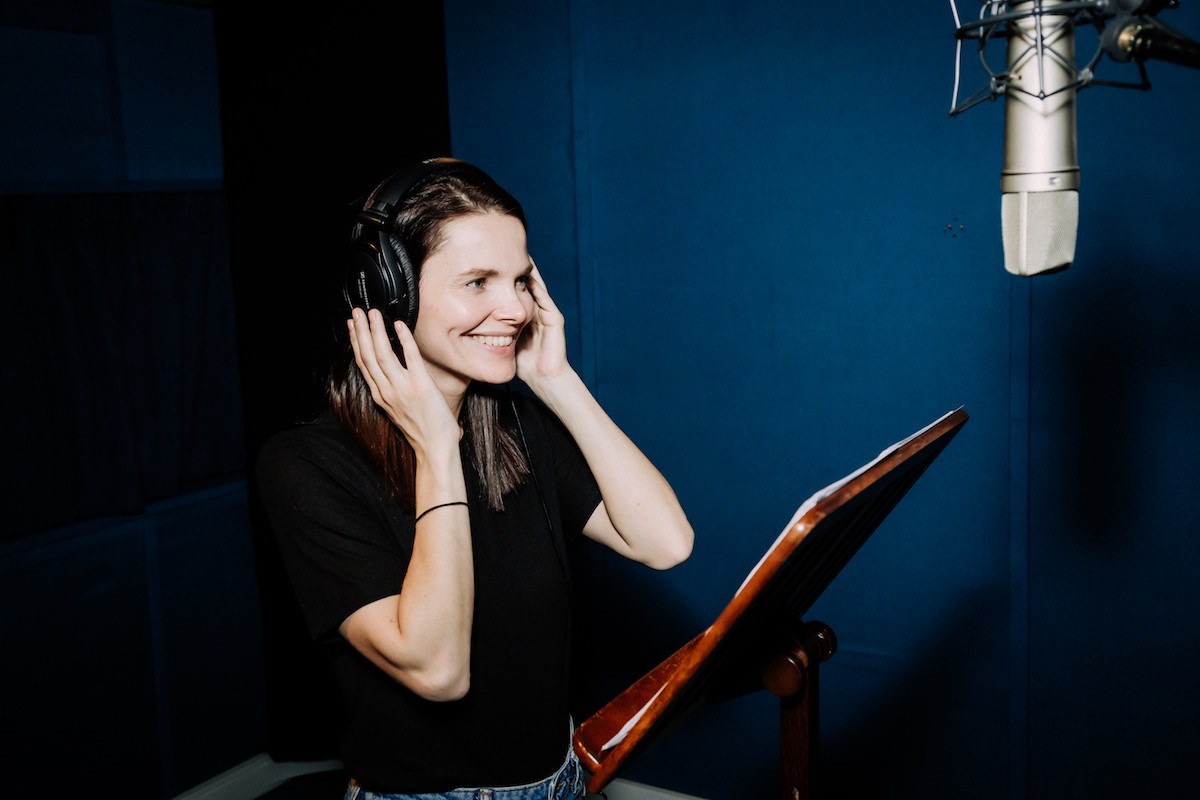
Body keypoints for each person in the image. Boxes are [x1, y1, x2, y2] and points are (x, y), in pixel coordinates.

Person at [256, 158, 693, 800]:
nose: (514, 309)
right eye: (478, 282)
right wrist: (438, 448)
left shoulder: (517, 426)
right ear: (389, 292)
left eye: (520, 281)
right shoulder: (305, 465)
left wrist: (556, 381)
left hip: (562, 779)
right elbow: (438, 672)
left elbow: (665, 543)